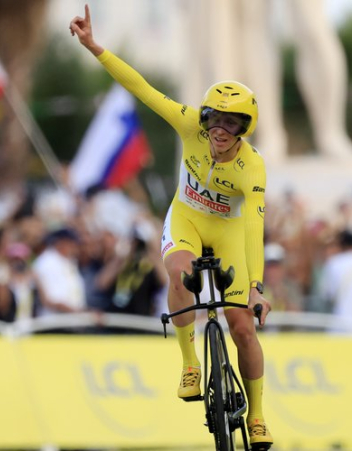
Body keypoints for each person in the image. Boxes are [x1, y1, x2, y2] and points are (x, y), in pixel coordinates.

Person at [70, 6, 274, 446]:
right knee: (180, 273)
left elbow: (255, 228)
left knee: (242, 327)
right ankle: (189, 364)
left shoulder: (252, 169)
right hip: (185, 217)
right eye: (215, 119)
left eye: (232, 123)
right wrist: (95, 48)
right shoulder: (188, 125)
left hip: (229, 233)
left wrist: (257, 286)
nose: (221, 129)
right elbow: (142, 88)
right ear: (203, 119)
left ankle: (257, 414)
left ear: (245, 128)